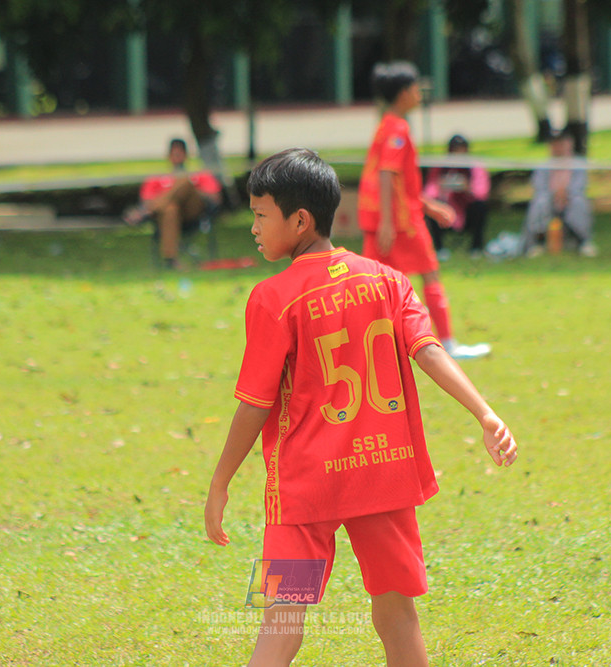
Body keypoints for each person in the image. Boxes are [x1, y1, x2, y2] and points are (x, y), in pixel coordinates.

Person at [204, 147, 519, 667]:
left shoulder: (272, 297)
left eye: (260, 215)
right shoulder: (389, 279)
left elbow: (254, 403)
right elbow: (429, 350)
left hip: (305, 487)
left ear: (299, 220)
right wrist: (484, 413)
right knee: (397, 614)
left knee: (281, 619)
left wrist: (220, 481)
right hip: (382, 474)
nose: (254, 227)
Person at [357, 61, 490, 360]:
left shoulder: (386, 124)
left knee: (373, 287)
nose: (420, 93)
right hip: (400, 223)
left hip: (386, 219)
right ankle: (447, 343)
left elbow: (399, 181)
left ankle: (367, 347)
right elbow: (387, 174)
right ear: (404, 93)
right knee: (429, 274)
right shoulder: (397, 128)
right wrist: (390, 224)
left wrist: (431, 207)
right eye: (416, 88)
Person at [124, 138, 222, 268]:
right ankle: (171, 260)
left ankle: (145, 211)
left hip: (193, 212)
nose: (177, 157)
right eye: (174, 154)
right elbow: (146, 198)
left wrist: (187, 189)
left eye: (180, 153)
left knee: (184, 181)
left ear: (186, 155)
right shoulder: (157, 178)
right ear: (168, 156)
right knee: (170, 209)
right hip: (168, 217)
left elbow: (215, 198)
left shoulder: (199, 175)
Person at [521, 130, 597, 257]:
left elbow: (580, 185)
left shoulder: (578, 165)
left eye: (561, 143)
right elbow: (539, 186)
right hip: (549, 198)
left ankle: (583, 242)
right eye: (554, 144)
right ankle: (537, 243)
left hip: (570, 198)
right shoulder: (543, 166)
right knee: (540, 202)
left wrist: (566, 194)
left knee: (579, 202)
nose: (558, 147)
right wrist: (555, 194)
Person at [423, 134, 490, 260]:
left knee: (480, 207)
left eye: (461, 149)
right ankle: (439, 248)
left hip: (467, 210)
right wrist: (441, 187)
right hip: (446, 211)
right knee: (432, 207)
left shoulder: (475, 167)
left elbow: (482, 193)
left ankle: (476, 247)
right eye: (454, 150)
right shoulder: (440, 167)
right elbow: (428, 193)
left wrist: (467, 188)